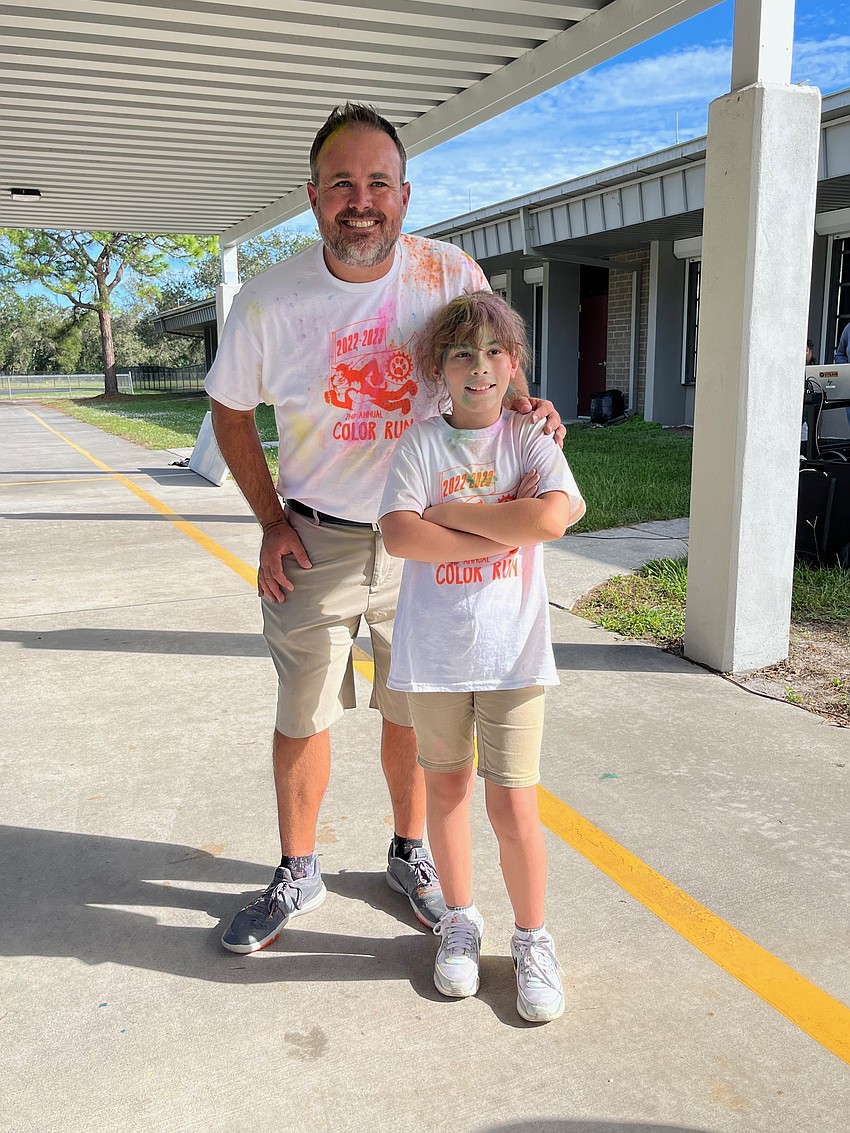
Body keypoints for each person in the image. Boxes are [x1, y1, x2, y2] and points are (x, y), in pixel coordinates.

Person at [204, 103, 565, 955]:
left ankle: (411, 854)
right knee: (305, 713)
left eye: (376, 184)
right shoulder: (269, 299)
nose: (359, 202)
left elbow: (492, 356)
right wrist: (269, 522)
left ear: (404, 195)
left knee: (418, 707)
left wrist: (527, 411)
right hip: (318, 538)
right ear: (312, 197)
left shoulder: (447, 272)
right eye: (341, 185)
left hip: (435, 540)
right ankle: (299, 866)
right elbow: (228, 413)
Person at [378, 292, 586, 1022]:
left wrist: (457, 515)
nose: (479, 367)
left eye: (494, 352)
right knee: (448, 795)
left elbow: (551, 517)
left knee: (514, 804)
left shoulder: (529, 439)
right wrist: (506, 528)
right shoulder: (421, 445)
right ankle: (459, 920)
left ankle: (533, 937)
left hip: (514, 658)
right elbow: (402, 536)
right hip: (435, 657)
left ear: (514, 364)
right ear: (441, 367)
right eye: (463, 353)